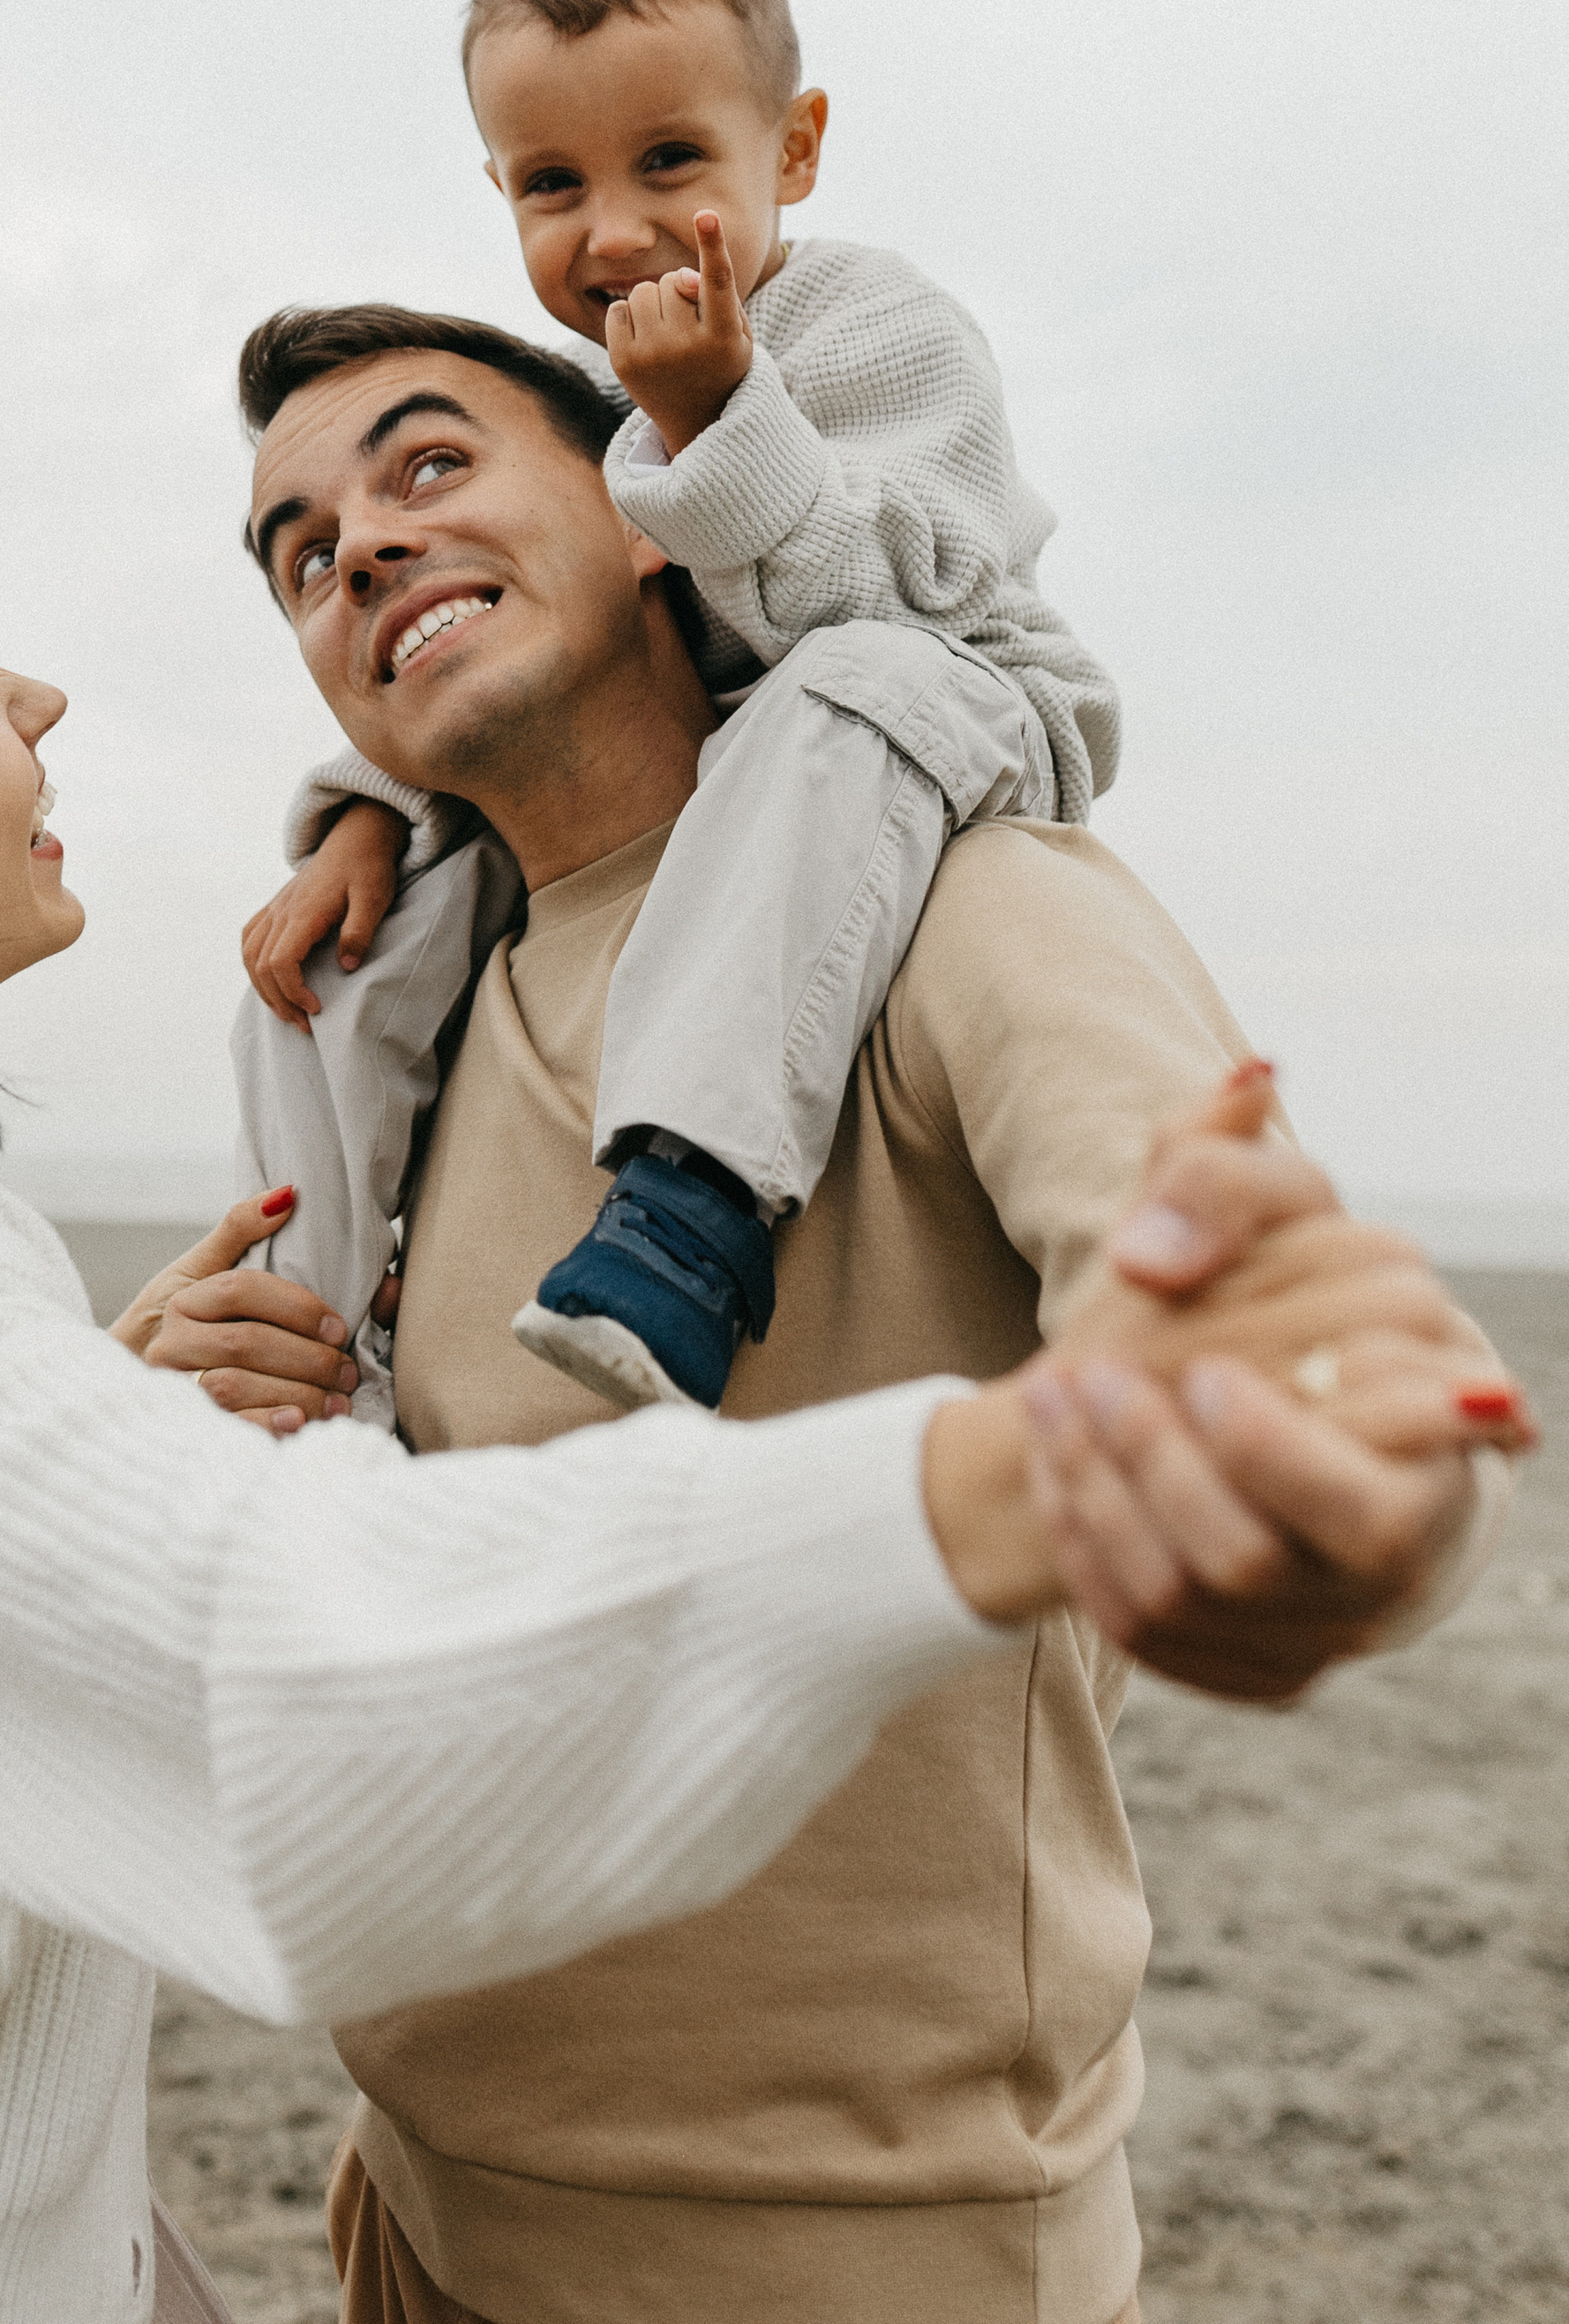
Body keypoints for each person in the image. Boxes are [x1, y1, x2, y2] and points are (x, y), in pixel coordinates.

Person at [232, 312, 1524, 2324]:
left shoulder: (959, 896)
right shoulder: (398, 1007)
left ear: (655, 508)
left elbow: (1277, 1364)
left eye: (425, 469)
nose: (363, 553)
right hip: (418, 2213)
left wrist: (1315, 1496)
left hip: (857, 2262)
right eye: (302, 551)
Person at [239, 0, 1121, 1414]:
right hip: (736, 767)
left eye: (670, 162)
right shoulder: (588, 388)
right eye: (552, 186)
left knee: (833, 698)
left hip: (941, 713)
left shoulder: (872, 327)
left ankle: (694, 1210)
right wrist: (366, 814)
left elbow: (904, 591)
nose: (616, 229)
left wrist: (726, 419)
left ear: (791, 149)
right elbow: (529, 602)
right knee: (334, 949)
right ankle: (311, 1322)